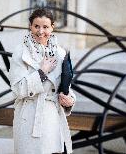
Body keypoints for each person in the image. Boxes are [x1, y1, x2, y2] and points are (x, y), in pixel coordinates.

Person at [9, 8, 76, 154]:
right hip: (29, 118)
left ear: (52, 26)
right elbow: (18, 89)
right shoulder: (20, 52)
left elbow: (65, 87)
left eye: (45, 27)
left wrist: (69, 100)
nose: (40, 31)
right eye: (36, 26)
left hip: (52, 118)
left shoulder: (60, 53)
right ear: (30, 26)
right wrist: (42, 72)